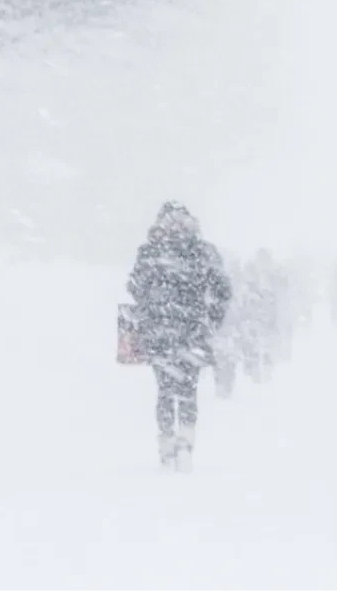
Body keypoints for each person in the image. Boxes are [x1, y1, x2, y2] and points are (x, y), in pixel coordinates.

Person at [126, 201, 232, 471]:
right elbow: (222, 289)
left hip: (159, 330)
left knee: (164, 388)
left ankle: (167, 440)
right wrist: (211, 320)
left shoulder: (151, 249)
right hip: (191, 330)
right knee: (188, 387)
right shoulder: (202, 250)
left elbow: (135, 286)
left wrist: (153, 306)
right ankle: (184, 439)